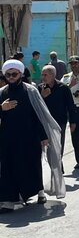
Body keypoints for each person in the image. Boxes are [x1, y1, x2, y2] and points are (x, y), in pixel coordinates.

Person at [0, 60, 65, 212]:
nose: (11, 77)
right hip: (8, 138)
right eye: (8, 74)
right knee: (8, 168)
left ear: (20, 74)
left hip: (29, 137)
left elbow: (38, 115)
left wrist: (43, 136)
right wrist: (2, 108)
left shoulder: (30, 90)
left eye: (14, 74)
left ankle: (40, 191)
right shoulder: (2, 92)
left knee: (32, 165)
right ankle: (9, 200)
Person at [38, 65, 76, 158]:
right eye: (42, 75)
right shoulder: (39, 88)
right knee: (47, 146)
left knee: (59, 144)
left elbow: (70, 106)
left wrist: (73, 122)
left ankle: (59, 163)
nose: (43, 77)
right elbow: (35, 106)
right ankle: (53, 165)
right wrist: (42, 97)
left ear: (53, 75)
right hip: (44, 122)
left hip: (59, 121)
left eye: (45, 75)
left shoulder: (63, 88)